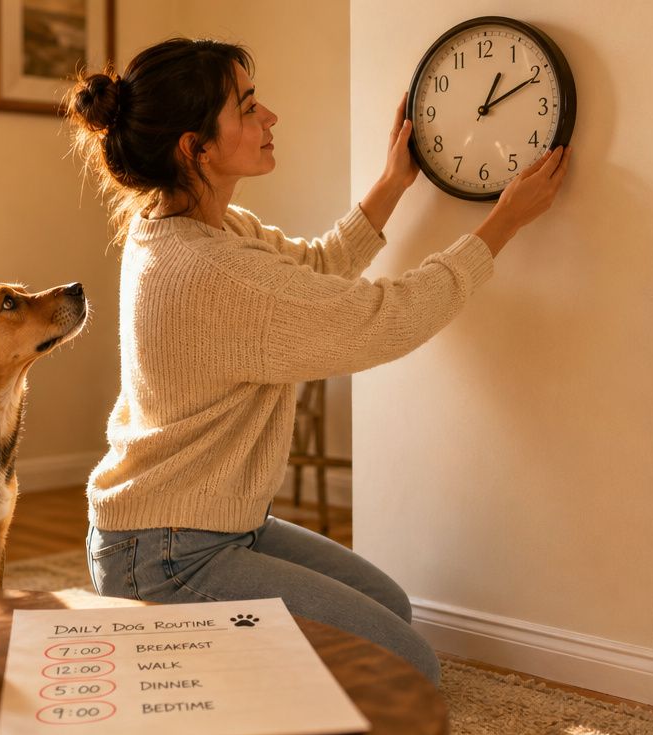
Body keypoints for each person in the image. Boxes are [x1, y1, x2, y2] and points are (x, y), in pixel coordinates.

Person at [64, 38, 569, 685]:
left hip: (210, 527)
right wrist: (503, 225)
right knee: (405, 669)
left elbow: (315, 268)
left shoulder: (199, 227)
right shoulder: (209, 268)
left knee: (390, 610)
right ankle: (194, 682)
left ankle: (227, 668)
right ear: (197, 147)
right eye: (247, 107)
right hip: (167, 553)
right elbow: (384, 319)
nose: (268, 117)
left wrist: (393, 183)